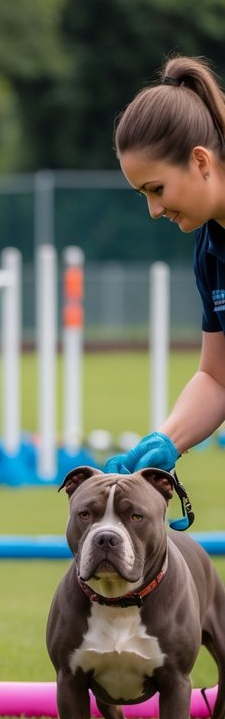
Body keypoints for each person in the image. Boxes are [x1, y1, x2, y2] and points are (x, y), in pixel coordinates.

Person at [105, 55, 225, 483]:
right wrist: (166, 440)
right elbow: (217, 377)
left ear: (200, 161)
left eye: (157, 189)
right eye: (143, 195)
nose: (154, 210)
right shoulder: (209, 250)